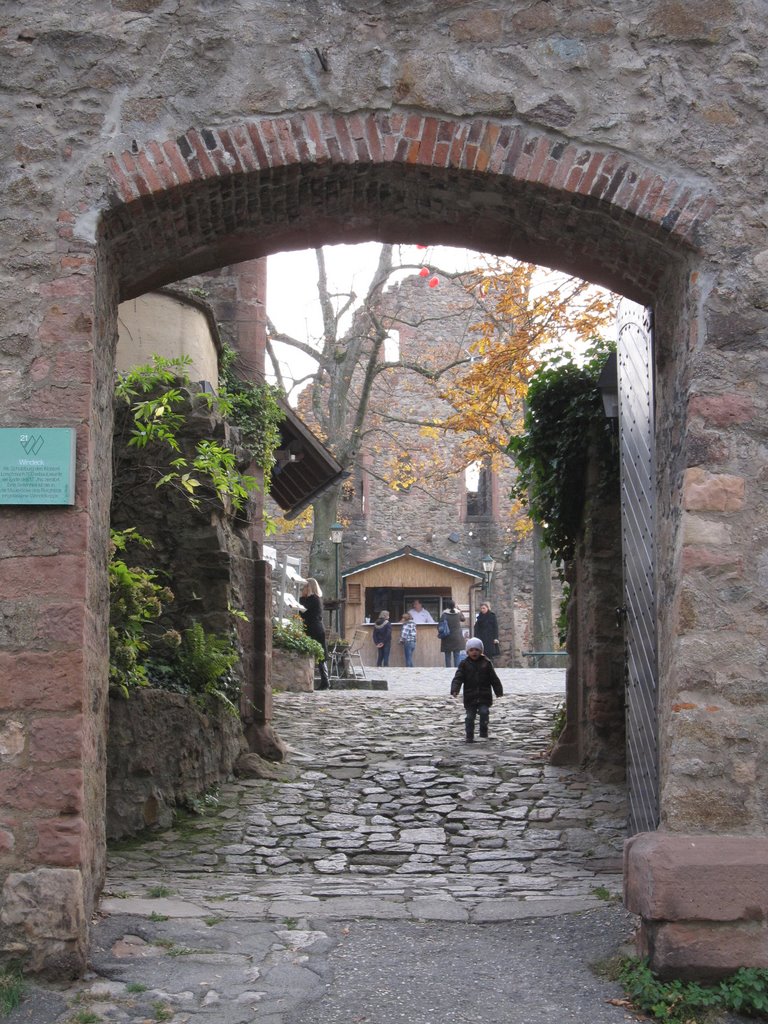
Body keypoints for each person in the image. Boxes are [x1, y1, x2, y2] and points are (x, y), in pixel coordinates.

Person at [450, 637, 504, 742]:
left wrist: (498, 691)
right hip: (470, 697)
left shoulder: (486, 663)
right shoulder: (464, 664)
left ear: (481, 651)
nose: (474, 652)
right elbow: (458, 678)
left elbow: (494, 679)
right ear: (467, 652)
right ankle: (469, 735)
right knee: (470, 717)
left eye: (477, 650)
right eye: (471, 650)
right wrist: (455, 689)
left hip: (484, 696)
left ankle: (483, 732)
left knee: (484, 713)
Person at [299, 578, 330, 690]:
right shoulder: (310, 599)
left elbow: (304, 611)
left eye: (305, 587)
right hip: (312, 627)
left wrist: (302, 599)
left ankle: (325, 681)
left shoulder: (314, 599)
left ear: (309, 587)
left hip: (315, 628)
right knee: (319, 654)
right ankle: (325, 681)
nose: (303, 589)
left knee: (320, 655)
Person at [438, 599, 465, 668]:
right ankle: (456, 670)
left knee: (447, 655)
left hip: (447, 636)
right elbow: (463, 619)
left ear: (447, 606)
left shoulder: (444, 614)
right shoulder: (458, 613)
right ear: (454, 605)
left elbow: (440, 624)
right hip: (457, 637)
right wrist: (459, 609)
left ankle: (448, 670)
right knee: (457, 655)